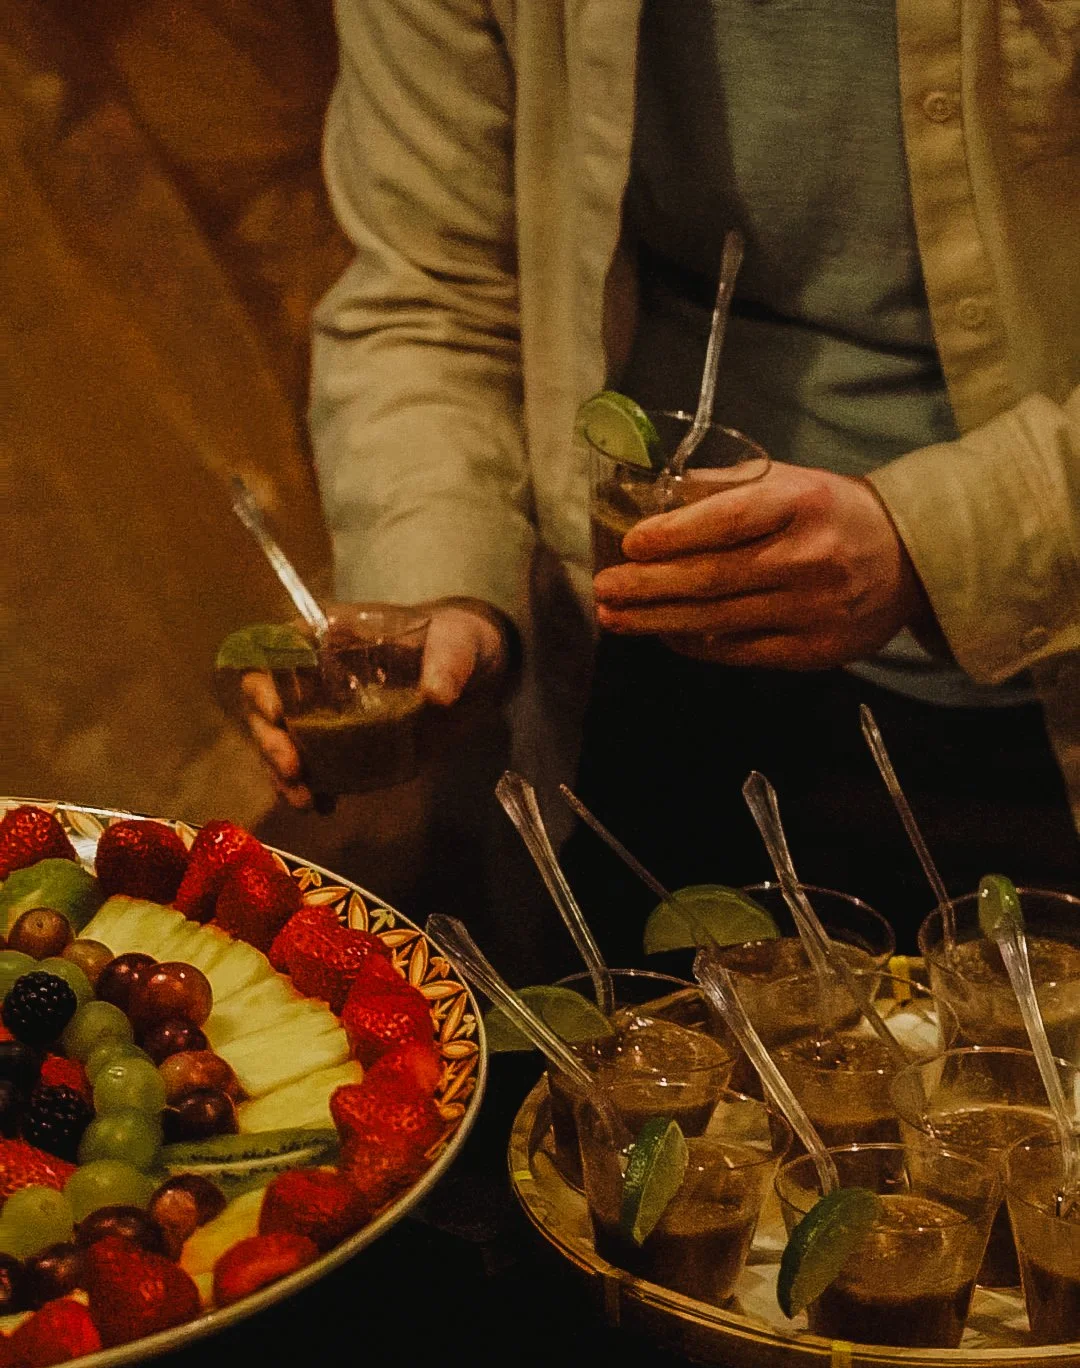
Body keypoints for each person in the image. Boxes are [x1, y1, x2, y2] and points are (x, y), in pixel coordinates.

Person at [243, 0, 1080, 954]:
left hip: (1039, 704)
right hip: (629, 672)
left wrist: (937, 540)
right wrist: (444, 587)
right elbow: (435, 288)